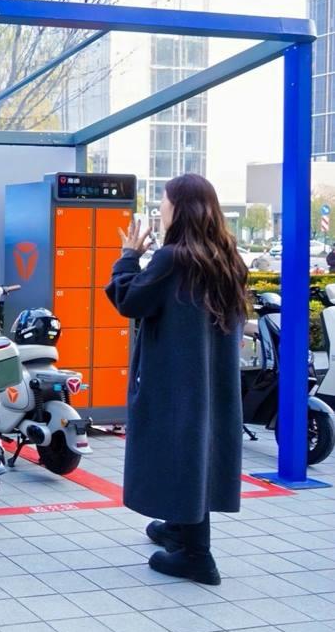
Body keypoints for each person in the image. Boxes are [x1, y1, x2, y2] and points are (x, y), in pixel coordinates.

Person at [106, 173, 248, 585]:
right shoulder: (227, 259)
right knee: (196, 447)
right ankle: (178, 528)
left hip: (175, 379)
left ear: (179, 209)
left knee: (181, 447)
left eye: (164, 202)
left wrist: (128, 256)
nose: (161, 209)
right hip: (213, 382)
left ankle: (195, 555)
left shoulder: (173, 259)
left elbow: (130, 300)